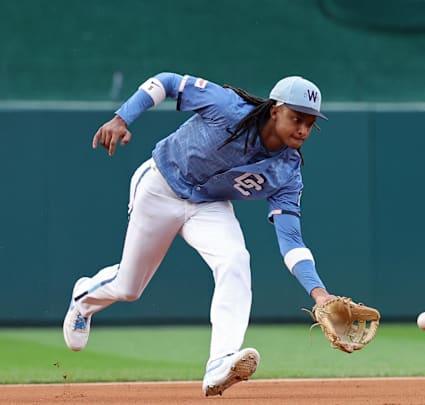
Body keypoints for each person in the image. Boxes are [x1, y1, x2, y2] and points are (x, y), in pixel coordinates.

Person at [62, 72, 337, 396]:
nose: (303, 129)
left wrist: (319, 293)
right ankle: (83, 298)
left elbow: (291, 240)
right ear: (275, 110)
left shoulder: (288, 171)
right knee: (129, 287)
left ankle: (219, 362)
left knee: (235, 259)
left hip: (208, 206)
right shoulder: (227, 107)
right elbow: (166, 82)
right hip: (160, 188)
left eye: (310, 122)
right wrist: (122, 117)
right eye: (296, 118)